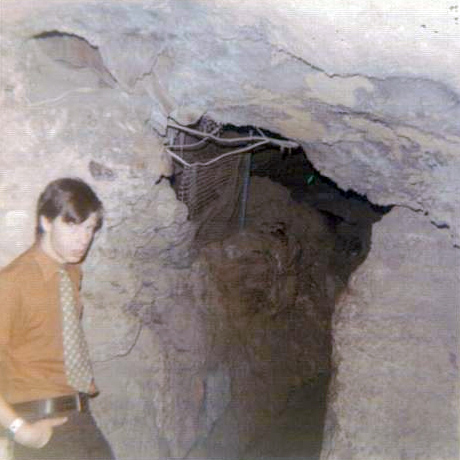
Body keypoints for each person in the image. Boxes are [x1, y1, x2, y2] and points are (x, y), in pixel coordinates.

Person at [0, 177, 114, 460]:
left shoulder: (72, 273)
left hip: (78, 417)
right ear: (46, 222)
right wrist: (19, 430)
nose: (83, 238)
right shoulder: (12, 282)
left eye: (89, 228)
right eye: (72, 225)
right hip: (37, 420)